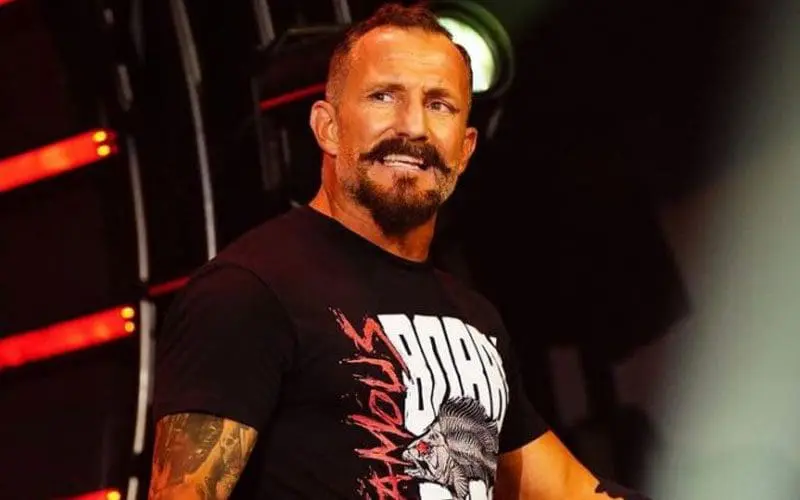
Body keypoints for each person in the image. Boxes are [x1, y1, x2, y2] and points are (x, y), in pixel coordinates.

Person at [147, 3, 651, 499]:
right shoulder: (248, 291)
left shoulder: (474, 319)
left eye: (439, 104)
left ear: (465, 148)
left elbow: (567, 490)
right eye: (384, 96)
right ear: (327, 127)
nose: (413, 127)